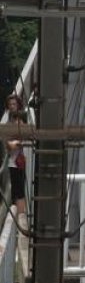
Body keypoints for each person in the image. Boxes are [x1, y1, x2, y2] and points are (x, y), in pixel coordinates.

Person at [5, 95, 28, 224]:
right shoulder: (10, 123)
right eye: (10, 104)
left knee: (19, 191)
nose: (12, 106)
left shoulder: (20, 122)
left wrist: (13, 143)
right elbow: (8, 144)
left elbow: (19, 141)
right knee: (16, 189)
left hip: (17, 162)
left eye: (14, 104)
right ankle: (18, 218)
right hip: (13, 162)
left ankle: (21, 219)